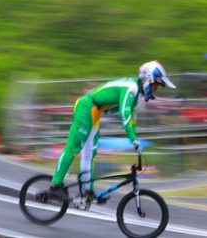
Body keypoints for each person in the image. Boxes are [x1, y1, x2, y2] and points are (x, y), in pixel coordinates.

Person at [49, 60, 176, 202]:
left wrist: (135, 140)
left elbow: (132, 121)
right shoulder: (131, 88)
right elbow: (124, 115)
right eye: (156, 85)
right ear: (148, 79)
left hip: (95, 112)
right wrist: (133, 139)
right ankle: (55, 186)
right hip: (86, 107)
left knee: (90, 153)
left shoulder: (135, 96)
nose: (156, 89)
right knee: (73, 148)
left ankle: (87, 191)